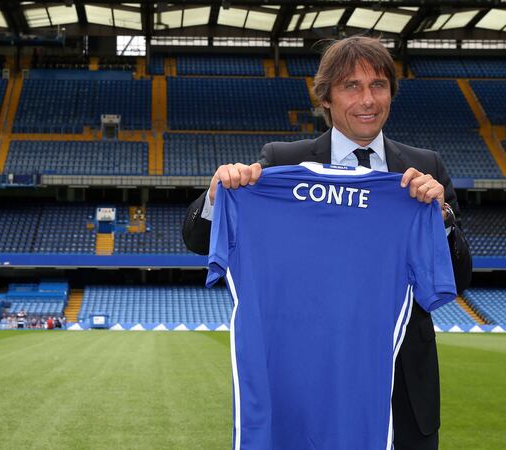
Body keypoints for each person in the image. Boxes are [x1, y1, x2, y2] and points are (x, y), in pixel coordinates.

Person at [182, 35, 472, 450]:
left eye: (378, 85)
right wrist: (217, 196)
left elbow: (456, 280)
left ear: (391, 92)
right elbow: (197, 239)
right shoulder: (284, 162)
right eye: (351, 86)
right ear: (326, 98)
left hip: (400, 389)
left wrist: (441, 219)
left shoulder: (426, 168)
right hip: (305, 381)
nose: (368, 99)